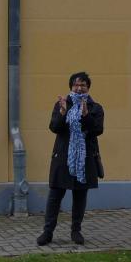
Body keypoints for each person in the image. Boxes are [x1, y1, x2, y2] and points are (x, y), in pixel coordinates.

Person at [37, 71, 105, 246]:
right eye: (76, 85)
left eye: (83, 85)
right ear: (71, 87)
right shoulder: (62, 104)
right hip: (63, 157)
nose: (79, 88)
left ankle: (76, 231)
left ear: (88, 87)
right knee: (55, 196)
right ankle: (47, 232)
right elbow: (54, 127)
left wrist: (86, 116)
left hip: (84, 160)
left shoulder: (95, 108)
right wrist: (62, 113)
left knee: (80, 197)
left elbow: (98, 130)